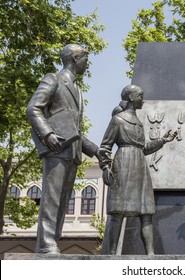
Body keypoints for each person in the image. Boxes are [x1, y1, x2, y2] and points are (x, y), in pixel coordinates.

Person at [26, 44, 103, 254]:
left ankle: (53, 241)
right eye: (85, 59)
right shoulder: (54, 79)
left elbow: (74, 129)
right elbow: (33, 108)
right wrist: (48, 134)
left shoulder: (77, 89)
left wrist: (95, 150)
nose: (87, 64)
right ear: (74, 59)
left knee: (63, 200)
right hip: (56, 149)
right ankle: (45, 244)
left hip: (72, 153)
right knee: (52, 197)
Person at [99, 84, 177, 255]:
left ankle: (150, 254)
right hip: (123, 165)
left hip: (140, 167)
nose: (143, 99)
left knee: (146, 211)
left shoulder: (139, 123)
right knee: (118, 212)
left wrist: (163, 140)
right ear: (132, 98)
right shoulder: (117, 120)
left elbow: (143, 149)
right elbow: (105, 147)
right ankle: (111, 254)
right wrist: (105, 166)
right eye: (141, 95)